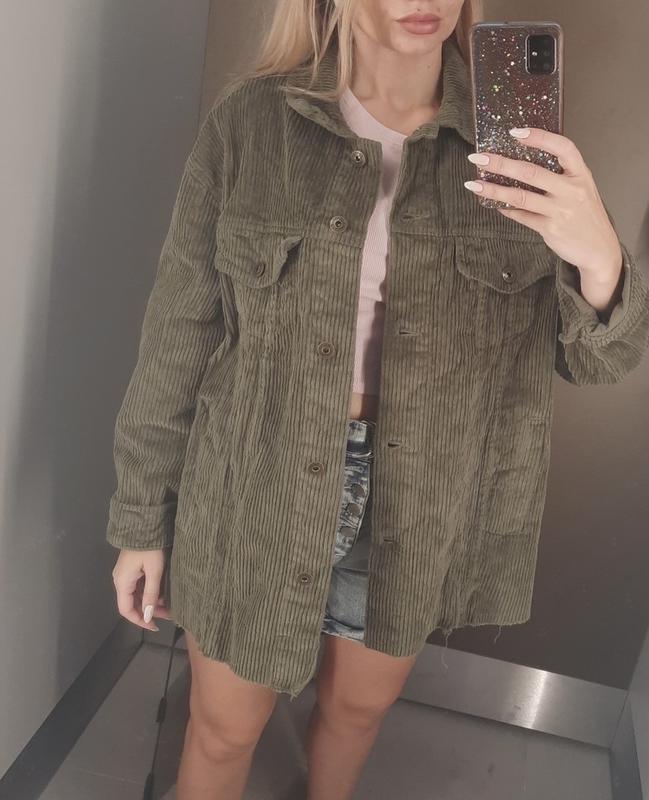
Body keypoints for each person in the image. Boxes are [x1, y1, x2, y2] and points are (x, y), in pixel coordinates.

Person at [107, 1, 649, 798]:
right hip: (255, 479)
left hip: (420, 498)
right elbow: (179, 333)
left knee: (356, 714)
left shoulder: (519, 146)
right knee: (221, 730)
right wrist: (140, 521)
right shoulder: (253, 124)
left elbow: (597, 364)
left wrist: (598, 257)